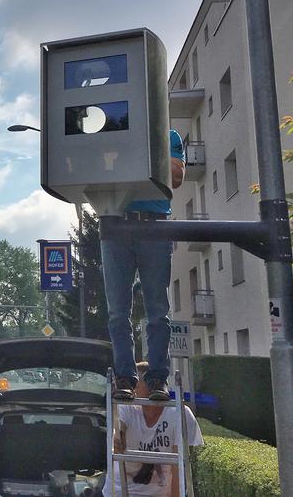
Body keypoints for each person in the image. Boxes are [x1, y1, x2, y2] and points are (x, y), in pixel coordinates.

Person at [102, 128, 186, 401]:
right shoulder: (112, 134)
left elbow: (176, 177)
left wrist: (127, 157)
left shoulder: (166, 134)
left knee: (158, 311)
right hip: (115, 223)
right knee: (117, 311)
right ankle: (125, 377)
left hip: (154, 225)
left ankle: (158, 378)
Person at [112, 362, 203, 497]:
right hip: (121, 492)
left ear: (151, 385)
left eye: (135, 383)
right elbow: (120, 427)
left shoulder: (179, 414)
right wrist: (119, 435)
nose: (131, 389)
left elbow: (178, 467)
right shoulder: (127, 407)